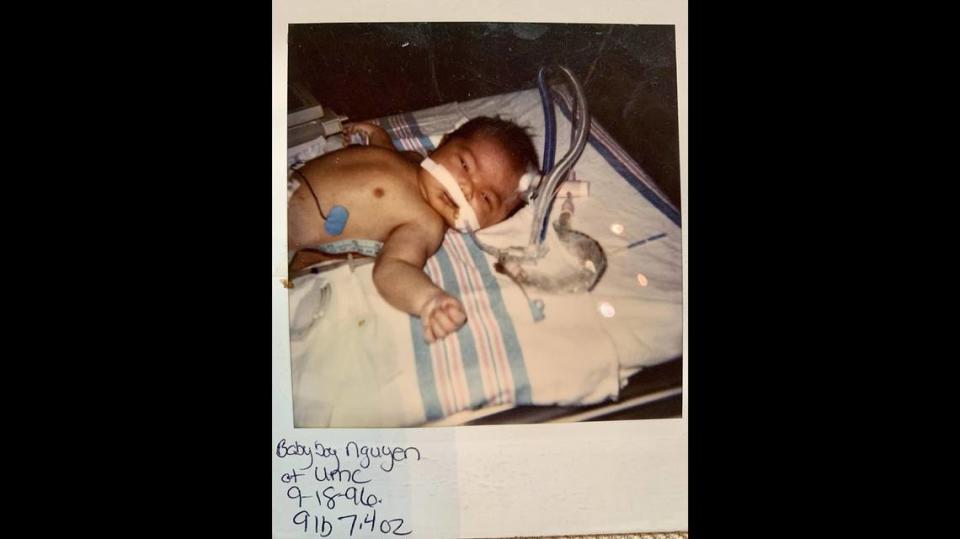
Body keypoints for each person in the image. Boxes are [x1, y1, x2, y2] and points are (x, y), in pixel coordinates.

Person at [288, 116, 539, 343]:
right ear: (443, 143)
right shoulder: (414, 159)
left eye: (486, 198)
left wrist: (428, 300)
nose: (467, 188)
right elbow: (383, 152)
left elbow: (393, 268)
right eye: (464, 164)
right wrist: (376, 134)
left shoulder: (425, 223)